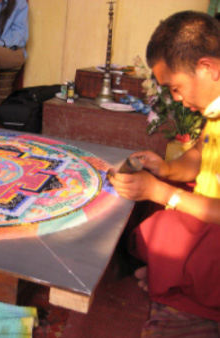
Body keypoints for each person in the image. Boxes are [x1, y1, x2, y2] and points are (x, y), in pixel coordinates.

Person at [109, 11, 220, 322]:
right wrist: (166, 170)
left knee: (167, 233)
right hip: (205, 206)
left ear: (207, 67)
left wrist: (163, 193)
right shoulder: (215, 108)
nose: (178, 99)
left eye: (175, 87)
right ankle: (166, 273)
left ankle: (168, 275)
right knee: (146, 215)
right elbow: (200, 154)